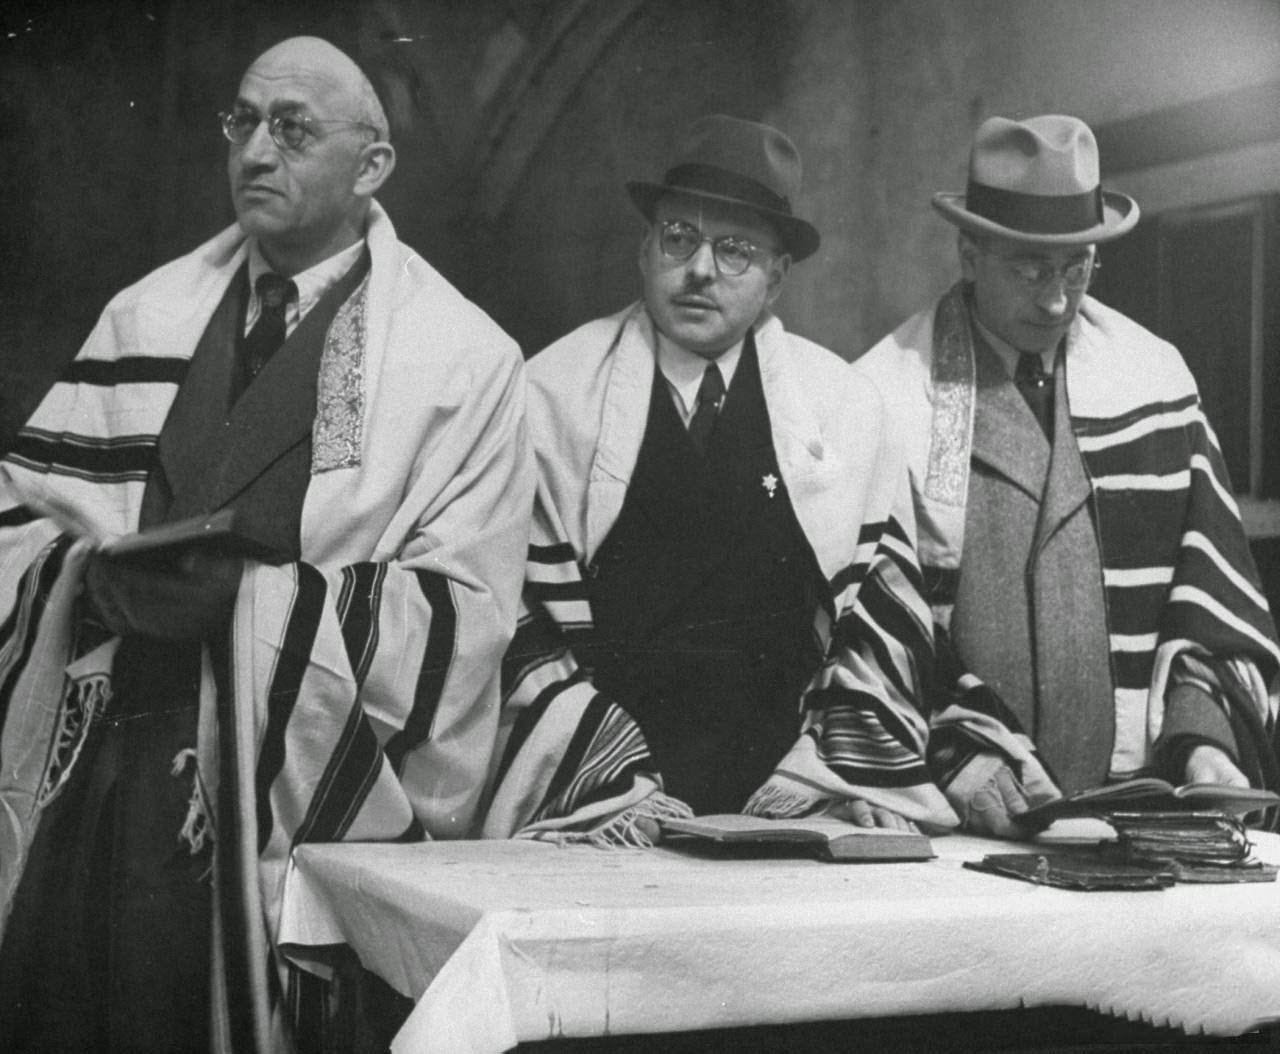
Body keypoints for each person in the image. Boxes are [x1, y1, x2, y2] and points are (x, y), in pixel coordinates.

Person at [0, 36, 532, 1052]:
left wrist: (252, 608)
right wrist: (84, 581)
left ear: (371, 166)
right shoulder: (145, 316)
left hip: (273, 807)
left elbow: (462, 616)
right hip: (100, 794)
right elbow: (21, 522)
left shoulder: (460, 361)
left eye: (292, 129)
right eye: (241, 121)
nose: (253, 152)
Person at [482, 114, 957, 844]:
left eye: (735, 250)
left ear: (776, 278)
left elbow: (877, 621)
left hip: (794, 796)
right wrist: (610, 785)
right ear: (645, 249)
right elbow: (514, 621)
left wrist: (827, 777)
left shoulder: (845, 406)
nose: (700, 269)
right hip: (602, 801)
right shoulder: (552, 393)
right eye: (679, 237)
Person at [860, 114, 1280, 836]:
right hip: (963, 803)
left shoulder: (1152, 379)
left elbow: (1208, 589)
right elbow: (864, 629)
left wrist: (1204, 738)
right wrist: (955, 751)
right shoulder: (888, 392)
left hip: (1137, 802)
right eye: (1028, 269)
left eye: (1076, 267)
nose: (1056, 299)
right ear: (968, 252)